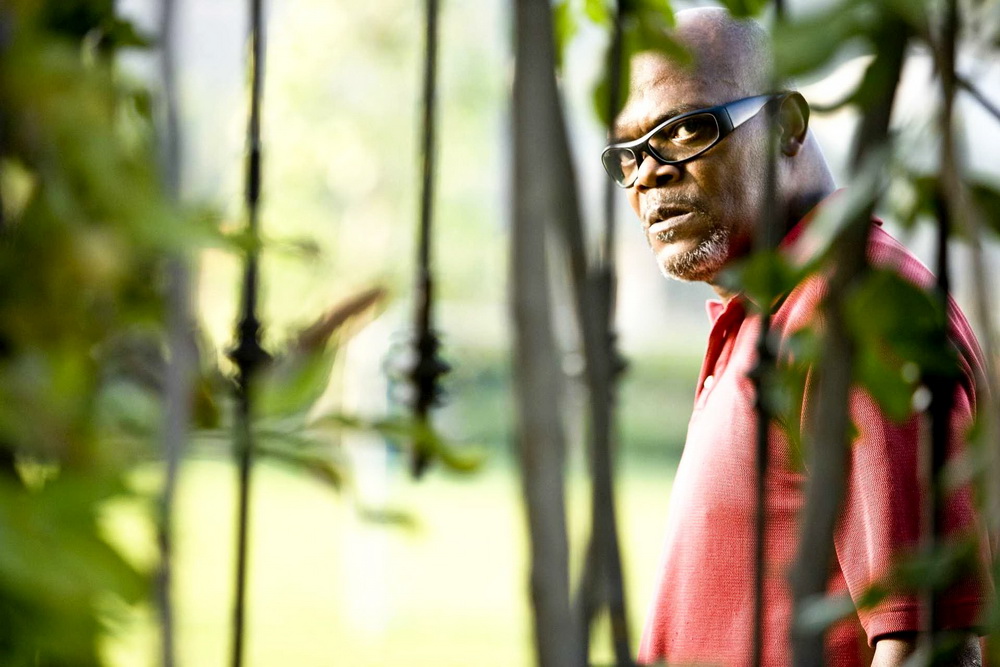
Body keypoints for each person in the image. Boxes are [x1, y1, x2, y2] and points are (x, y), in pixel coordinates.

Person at [601, 7, 992, 666]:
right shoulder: (769, 315)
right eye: (629, 155)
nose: (649, 174)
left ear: (787, 126)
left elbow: (931, 642)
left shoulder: (858, 314)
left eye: (687, 129)